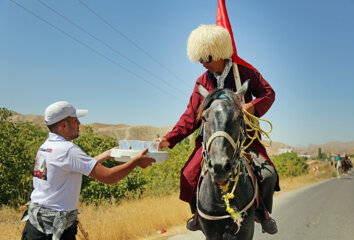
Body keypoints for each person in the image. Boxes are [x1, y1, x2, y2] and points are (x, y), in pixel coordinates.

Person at [156, 25, 279, 234]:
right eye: (200, 59)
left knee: (267, 175)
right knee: (188, 175)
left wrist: (252, 106)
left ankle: (262, 212)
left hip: (244, 140)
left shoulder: (245, 72)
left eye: (207, 58)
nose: (203, 64)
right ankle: (198, 215)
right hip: (212, 142)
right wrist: (168, 139)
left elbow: (269, 93)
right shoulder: (201, 82)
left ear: (221, 52)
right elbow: (190, 117)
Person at [21, 101, 155, 240]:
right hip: (52, 232)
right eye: (75, 120)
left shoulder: (46, 146)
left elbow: (77, 166)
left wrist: (107, 154)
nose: (79, 123)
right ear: (64, 125)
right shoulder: (68, 150)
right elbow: (109, 177)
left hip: (35, 226)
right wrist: (136, 162)